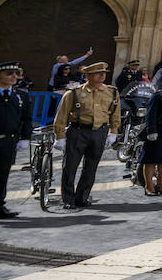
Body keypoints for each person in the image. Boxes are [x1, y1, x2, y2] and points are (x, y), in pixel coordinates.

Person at [51, 61, 119, 210]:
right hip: (78, 131)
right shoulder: (73, 92)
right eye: (98, 73)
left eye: (104, 73)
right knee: (70, 166)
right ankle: (68, 199)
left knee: (91, 167)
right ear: (87, 75)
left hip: (99, 132)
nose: (102, 75)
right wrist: (60, 136)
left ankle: (82, 197)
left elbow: (115, 114)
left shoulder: (112, 92)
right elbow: (61, 116)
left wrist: (113, 132)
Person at [0, 61, 33, 219]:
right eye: (9, 74)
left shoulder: (21, 95)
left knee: (2, 173)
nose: (14, 77)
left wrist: (25, 137)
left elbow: (26, 119)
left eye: (16, 74)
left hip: (8, 141)